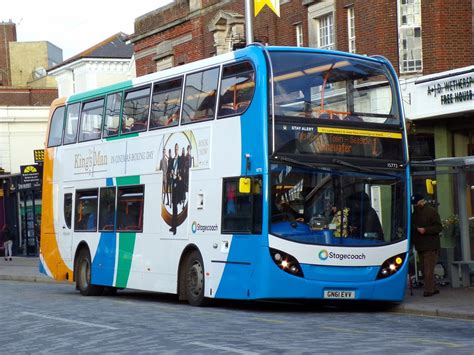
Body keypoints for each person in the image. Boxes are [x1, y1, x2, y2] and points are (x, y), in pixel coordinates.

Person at [411, 193, 443, 297]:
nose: (415, 205)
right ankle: (432, 288)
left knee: (427, 269)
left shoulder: (431, 211)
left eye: (416, 203)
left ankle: (429, 290)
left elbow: (439, 227)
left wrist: (425, 230)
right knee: (424, 269)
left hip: (430, 245)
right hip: (421, 245)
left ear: (422, 201)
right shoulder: (415, 213)